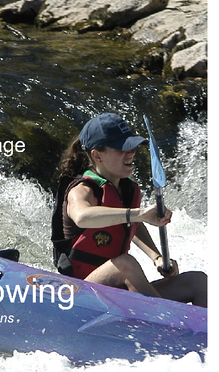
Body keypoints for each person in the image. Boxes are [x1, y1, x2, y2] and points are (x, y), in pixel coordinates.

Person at [51, 112, 207, 307]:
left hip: (116, 291)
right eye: (122, 148)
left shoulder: (126, 187)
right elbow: (82, 216)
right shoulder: (82, 189)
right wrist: (138, 213)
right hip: (79, 293)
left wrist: (157, 257)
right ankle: (168, 319)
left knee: (198, 281)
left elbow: (130, 225)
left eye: (131, 146)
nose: (131, 152)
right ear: (97, 155)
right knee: (125, 264)